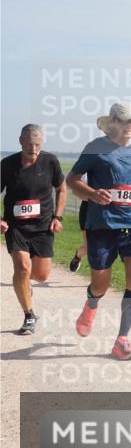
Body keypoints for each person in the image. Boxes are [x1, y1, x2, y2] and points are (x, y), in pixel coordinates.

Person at [65, 101, 131, 360]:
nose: (130, 126)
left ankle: (122, 340)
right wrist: (93, 193)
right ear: (113, 123)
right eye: (126, 121)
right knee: (101, 284)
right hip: (102, 225)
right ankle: (91, 304)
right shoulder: (95, 150)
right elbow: (71, 180)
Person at [1, 124, 66, 335]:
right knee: (22, 269)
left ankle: (25, 287)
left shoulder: (50, 161)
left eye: (38, 144)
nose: (34, 148)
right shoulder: (7, 165)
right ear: (20, 141)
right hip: (16, 226)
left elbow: (61, 188)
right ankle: (29, 315)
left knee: (41, 275)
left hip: (42, 227)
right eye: (30, 144)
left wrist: (57, 217)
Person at [69, 199, 89, 272]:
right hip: (87, 210)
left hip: (106, 214)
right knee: (88, 247)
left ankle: (102, 280)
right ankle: (78, 256)